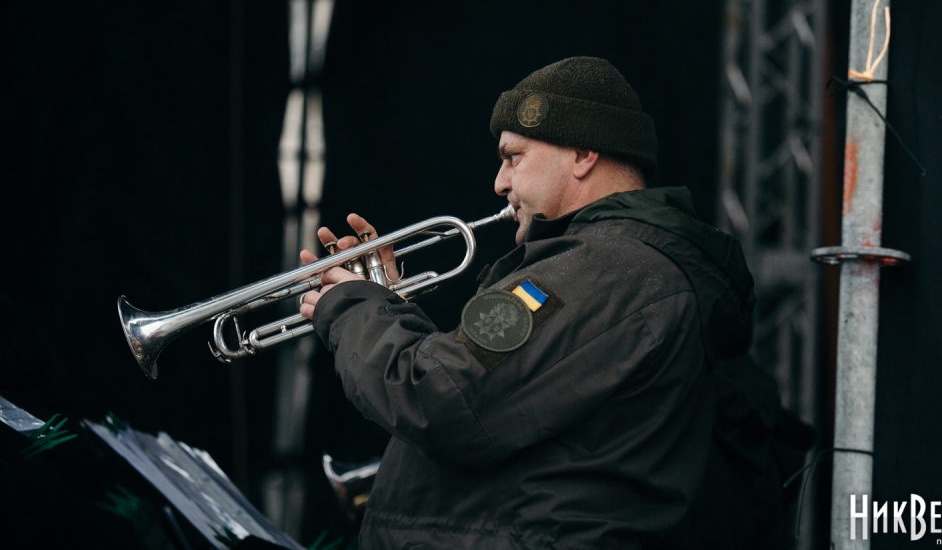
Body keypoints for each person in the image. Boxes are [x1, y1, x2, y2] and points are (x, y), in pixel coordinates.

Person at [299, 57, 800, 548]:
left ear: (582, 154)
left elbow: (439, 397)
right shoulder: (612, 267)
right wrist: (389, 307)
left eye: (514, 157)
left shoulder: (604, 267)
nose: (500, 183)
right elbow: (490, 401)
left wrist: (355, 309)